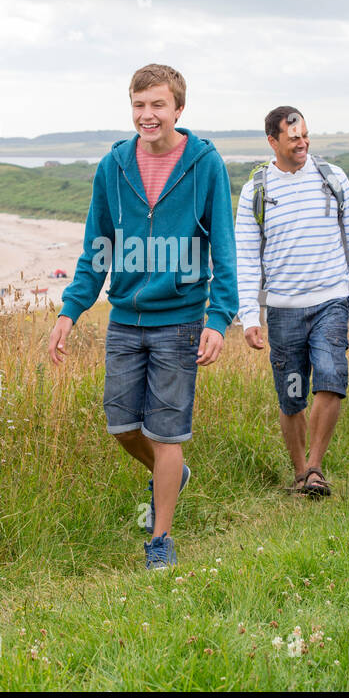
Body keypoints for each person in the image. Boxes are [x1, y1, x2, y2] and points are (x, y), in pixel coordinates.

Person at [47, 64, 238, 570]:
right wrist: (71, 311)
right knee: (121, 425)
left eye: (157, 105)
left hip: (181, 319)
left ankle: (160, 540)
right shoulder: (113, 166)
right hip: (125, 318)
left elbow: (224, 246)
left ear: (178, 109)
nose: (147, 115)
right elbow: (97, 247)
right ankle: (171, 476)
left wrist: (220, 318)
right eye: (139, 104)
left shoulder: (205, 164)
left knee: (167, 432)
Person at [235, 106, 349, 496]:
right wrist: (248, 316)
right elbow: (246, 255)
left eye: (306, 135)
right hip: (283, 309)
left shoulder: (332, 178)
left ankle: (314, 468)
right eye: (294, 138)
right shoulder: (255, 190)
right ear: (272, 142)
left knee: (330, 376)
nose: (302, 143)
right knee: (291, 394)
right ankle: (299, 474)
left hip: (331, 299)